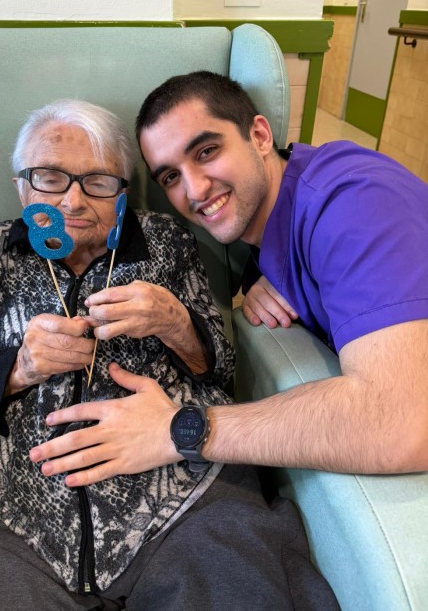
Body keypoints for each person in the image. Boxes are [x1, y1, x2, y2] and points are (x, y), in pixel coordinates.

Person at [0, 98, 338, 610]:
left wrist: (177, 323)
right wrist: (19, 368)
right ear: (22, 186)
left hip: (183, 498)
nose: (72, 202)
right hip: (19, 515)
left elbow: (221, 369)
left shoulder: (167, 241)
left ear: (123, 190)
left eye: (97, 181)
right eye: (50, 178)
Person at [29, 71, 428, 486]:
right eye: (171, 177)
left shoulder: (355, 203)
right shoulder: (274, 227)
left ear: (259, 136)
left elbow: (401, 421)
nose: (195, 190)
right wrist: (265, 277)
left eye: (206, 151)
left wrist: (180, 430)